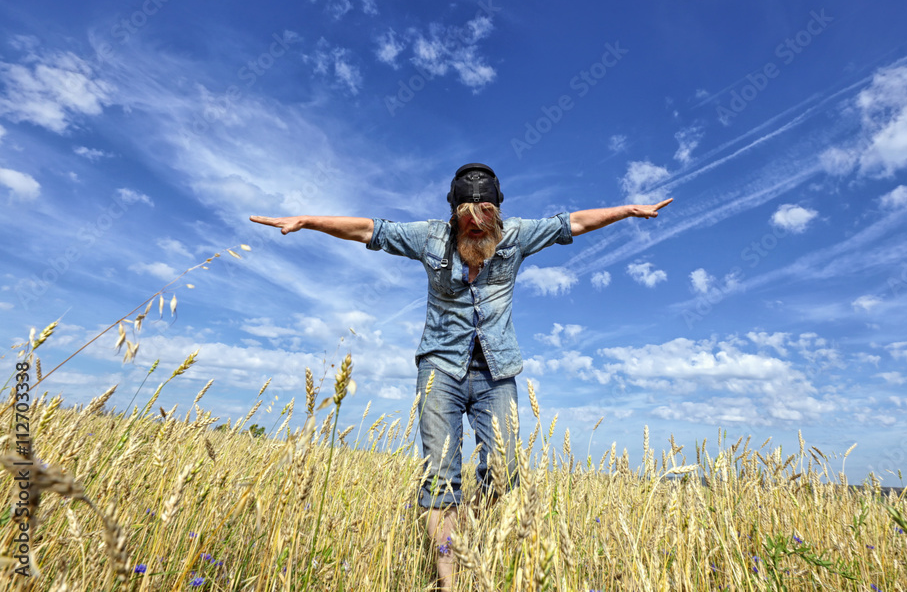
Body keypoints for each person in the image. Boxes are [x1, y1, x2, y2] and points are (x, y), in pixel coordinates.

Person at [250, 163, 672, 590]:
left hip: (497, 372)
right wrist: (307, 221)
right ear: (453, 214)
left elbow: (574, 222)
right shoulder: (429, 237)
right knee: (440, 477)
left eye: (484, 216)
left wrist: (628, 210)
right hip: (440, 369)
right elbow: (367, 230)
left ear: (497, 213)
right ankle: (448, 581)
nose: (476, 226)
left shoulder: (517, 237)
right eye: (467, 219)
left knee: (506, 475)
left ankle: (464, 527)